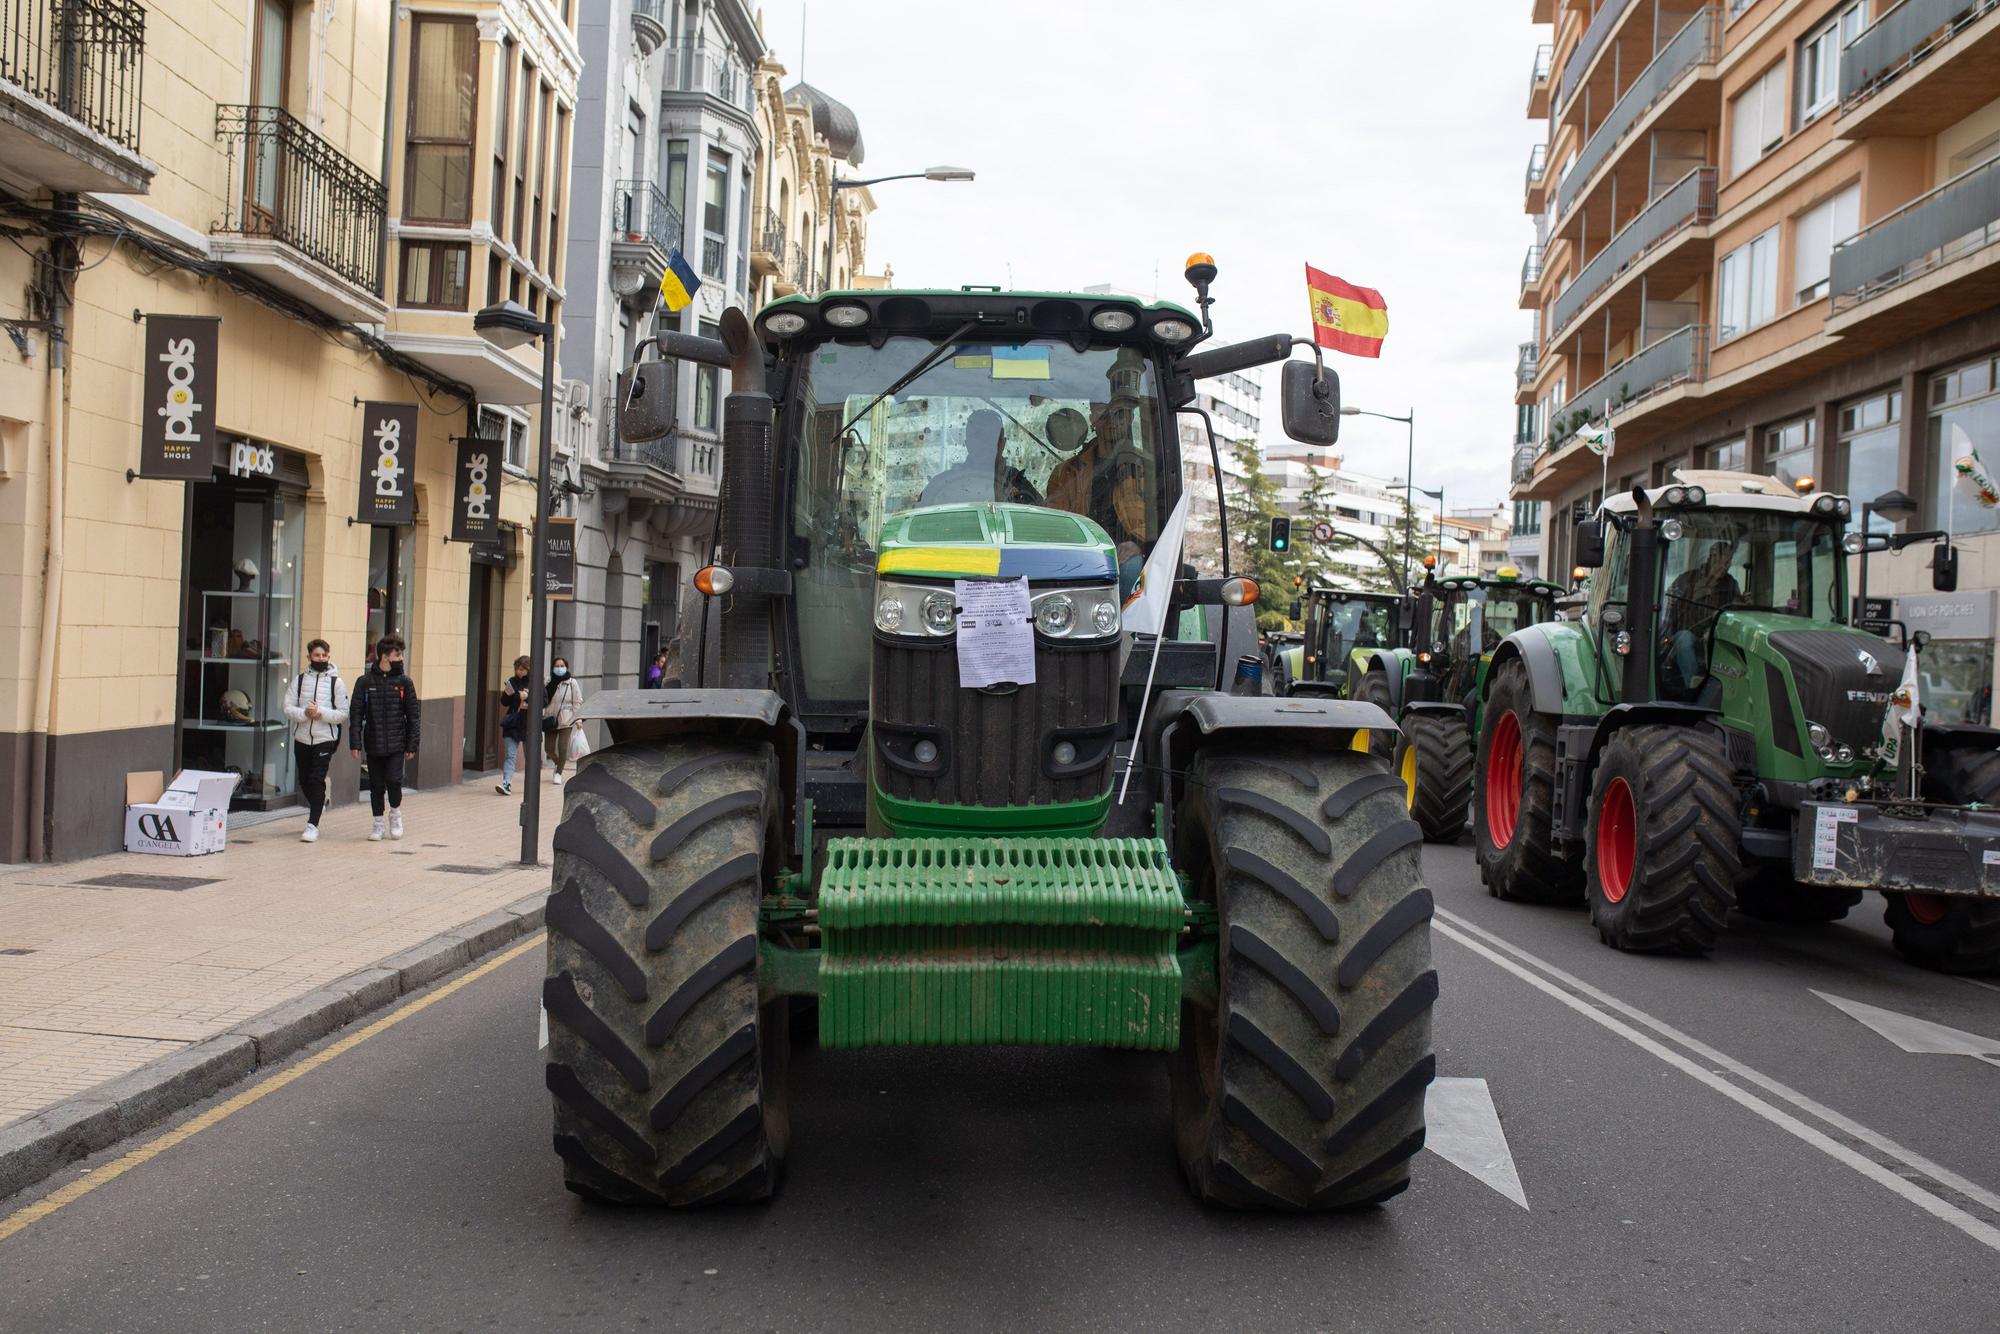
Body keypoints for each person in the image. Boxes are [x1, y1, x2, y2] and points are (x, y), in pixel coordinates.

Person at [350, 635, 419, 840]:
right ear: (384, 656)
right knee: (376, 785)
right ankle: (377, 823)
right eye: (397, 654)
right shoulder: (364, 682)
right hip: (373, 742)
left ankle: (395, 813)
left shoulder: (405, 683)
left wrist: (412, 744)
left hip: (397, 743)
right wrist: (355, 743)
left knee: (394, 781)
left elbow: (413, 715)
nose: (400, 658)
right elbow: (356, 714)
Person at [282, 638, 348, 843]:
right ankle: (319, 804)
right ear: (309, 656)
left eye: (324, 655)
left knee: (315, 779)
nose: (321, 659)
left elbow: (342, 713)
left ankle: (312, 825)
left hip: (324, 738)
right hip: (302, 737)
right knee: (304, 779)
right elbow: (287, 707)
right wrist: (305, 714)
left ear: (329, 657)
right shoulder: (299, 680)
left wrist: (320, 713)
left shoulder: (336, 682)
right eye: (317, 655)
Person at [1663, 540, 1740, 692]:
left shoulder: (1731, 584)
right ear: (1711, 558)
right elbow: (1669, 607)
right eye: (1721, 562)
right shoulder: (1688, 580)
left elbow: (1734, 612)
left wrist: (1743, 603)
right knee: (1684, 639)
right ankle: (1694, 687)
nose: (1724, 567)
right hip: (1687, 633)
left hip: (1716, 636)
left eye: (1728, 563)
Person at [543, 655, 584, 785]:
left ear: (566, 667)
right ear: (552, 668)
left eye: (562, 666)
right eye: (557, 666)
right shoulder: (548, 682)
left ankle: (558, 773)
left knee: (562, 748)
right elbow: (543, 700)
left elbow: (577, 702)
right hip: (550, 718)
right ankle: (557, 764)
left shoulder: (571, 682)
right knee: (548, 749)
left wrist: (578, 720)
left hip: (566, 719)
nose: (559, 668)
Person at [496, 655, 532, 795]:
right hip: (513, 723)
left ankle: (531, 785)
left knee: (531, 756)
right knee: (510, 755)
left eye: (522, 669)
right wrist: (510, 694)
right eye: (517, 668)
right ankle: (506, 784)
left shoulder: (535, 683)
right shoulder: (512, 681)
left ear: (528, 669)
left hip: (529, 724)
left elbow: (544, 701)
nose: (519, 671)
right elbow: (504, 702)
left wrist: (528, 696)